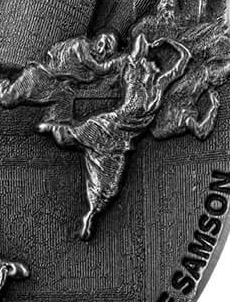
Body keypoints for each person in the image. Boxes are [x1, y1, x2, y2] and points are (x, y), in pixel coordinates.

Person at [37, 33, 191, 240]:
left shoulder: (159, 84)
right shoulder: (132, 68)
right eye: (150, 62)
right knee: (75, 136)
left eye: (155, 65)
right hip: (110, 125)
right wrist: (155, 44)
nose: (154, 66)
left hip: (122, 140)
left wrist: (171, 43)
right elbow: (128, 49)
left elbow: (183, 62)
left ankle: (91, 215)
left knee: (110, 186)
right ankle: (52, 128)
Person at [0, 31, 125, 108]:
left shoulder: (90, 70)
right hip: (38, 74)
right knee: (7, 100)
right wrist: (118, 60)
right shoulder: (80, 45)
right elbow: (98, 68)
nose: (102, 50)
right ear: (97, 38)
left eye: (108, 50)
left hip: (52, 86)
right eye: (103, 43)